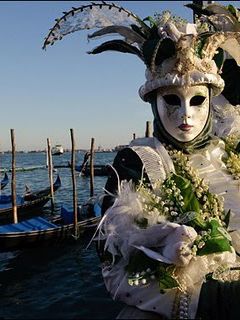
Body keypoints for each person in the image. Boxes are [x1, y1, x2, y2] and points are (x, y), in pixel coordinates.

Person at [44, 2, 240, 319]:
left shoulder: (229, 154)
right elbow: (116, 266)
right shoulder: (137, 162)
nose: (186, 114)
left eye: (197, 100)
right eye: (172, 100)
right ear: (154, 102)